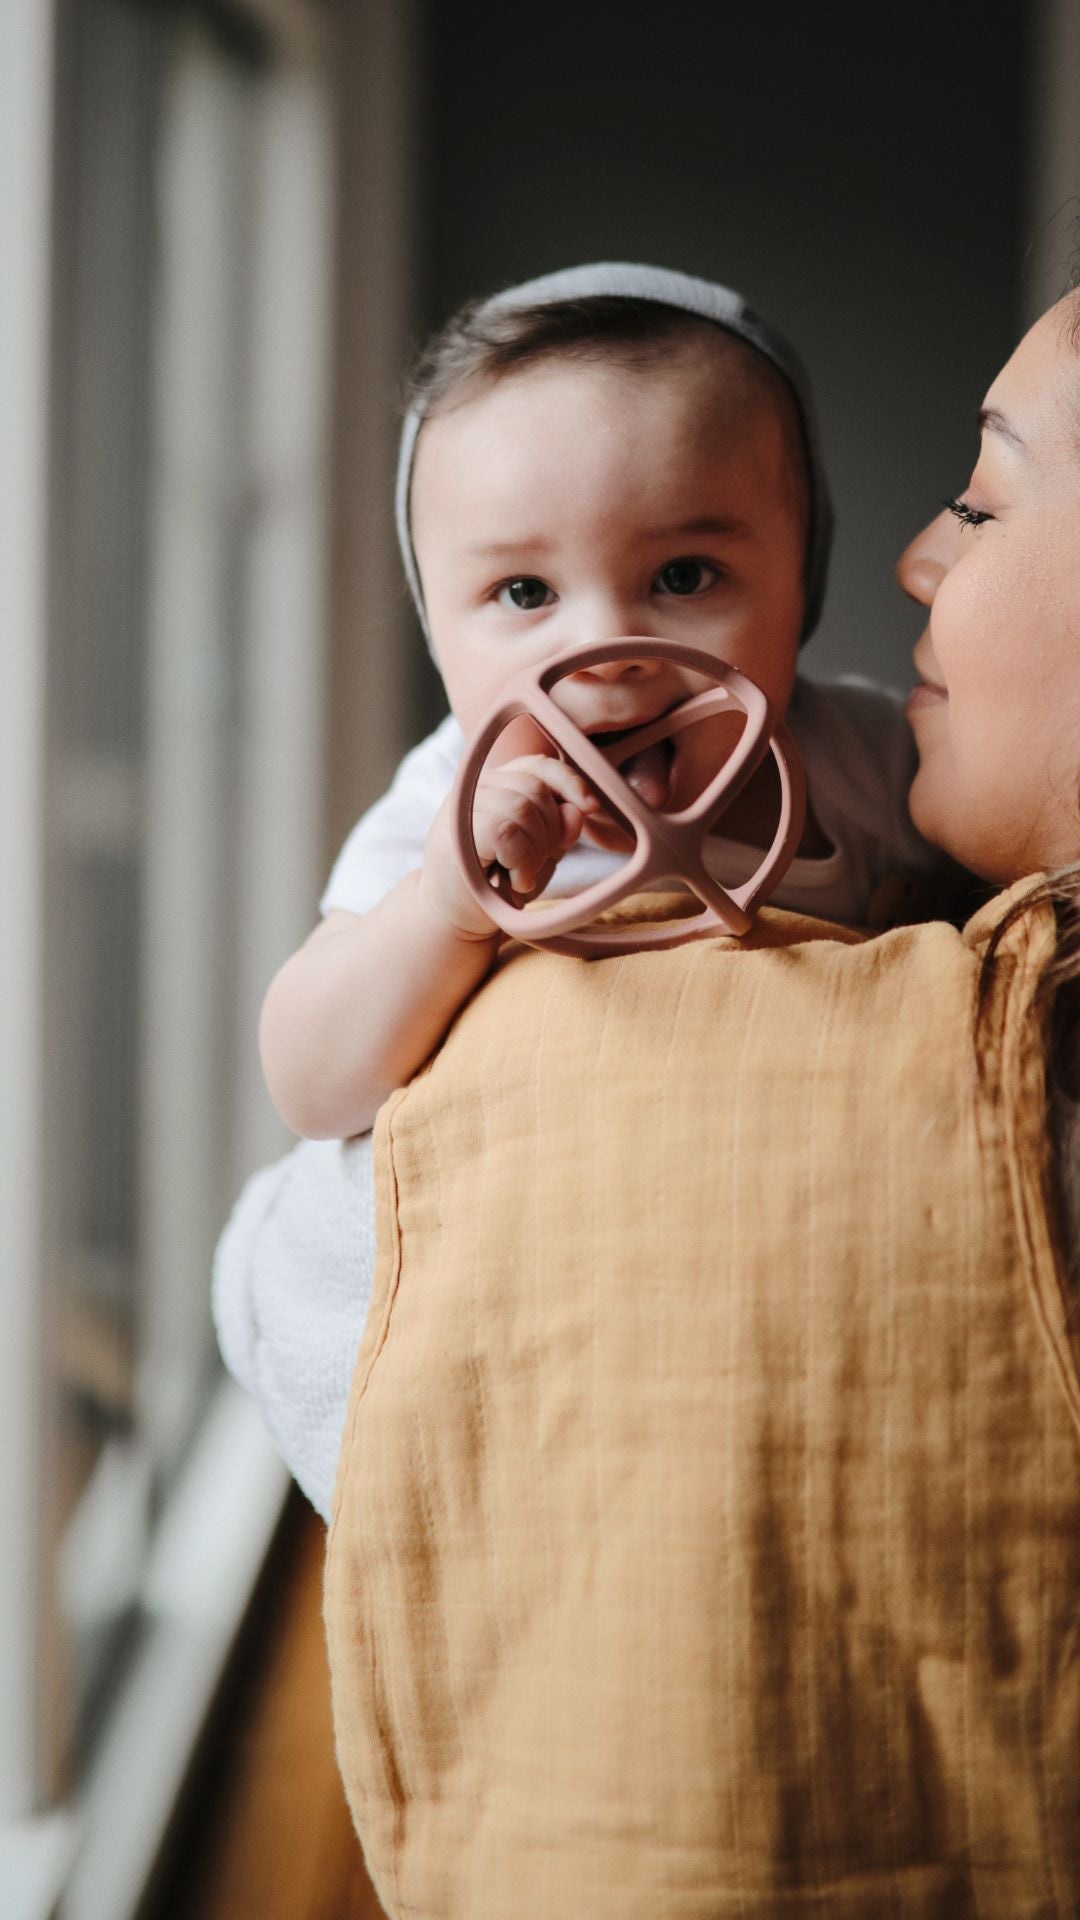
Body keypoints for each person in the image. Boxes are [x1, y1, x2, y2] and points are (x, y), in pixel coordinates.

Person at [257, 263, 958, 1144]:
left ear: (801, 586)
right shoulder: (446, 814)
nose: (604, 653)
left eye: (682, 576)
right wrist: (446, 907)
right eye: (523, 592)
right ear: (436, 627)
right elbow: (312, 1089)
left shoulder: (870, 758)